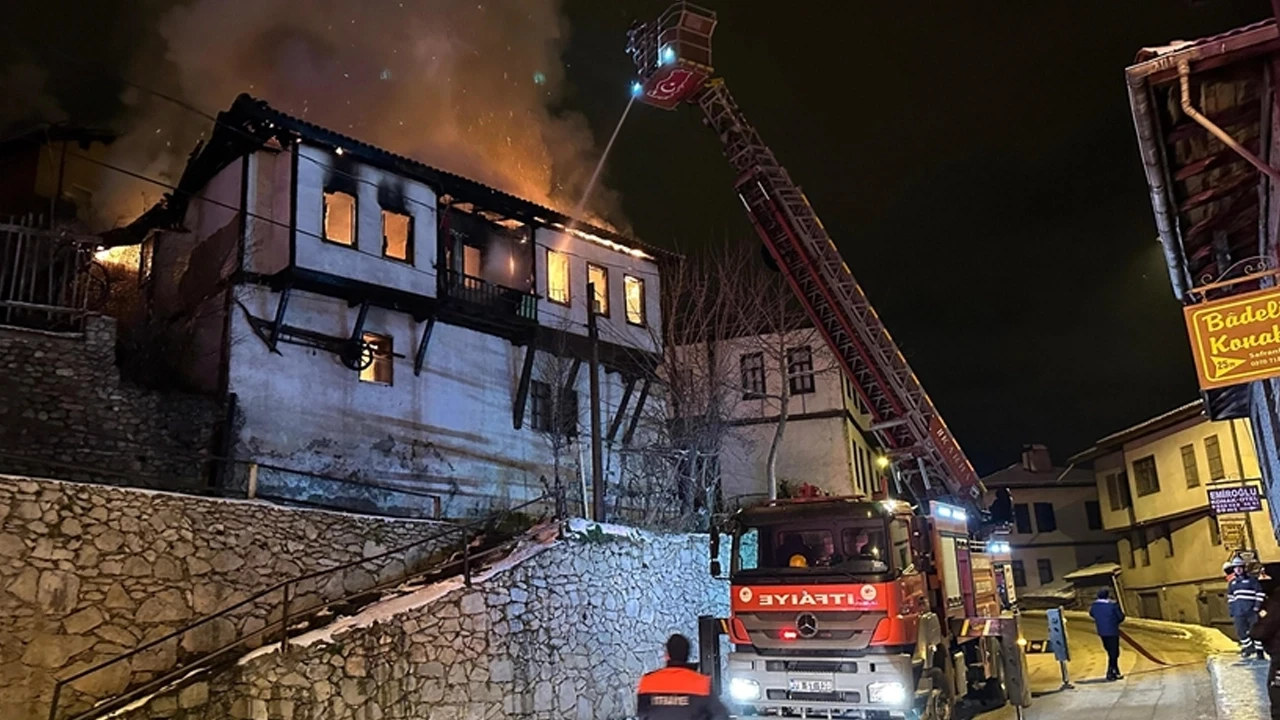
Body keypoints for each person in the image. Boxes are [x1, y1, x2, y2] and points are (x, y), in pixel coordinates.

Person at [636, 634, 730, 720]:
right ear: (687, 655)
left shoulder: (647, 681)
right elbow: (721, 716)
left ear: (667, 655)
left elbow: (642, 714)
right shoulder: (701, 684)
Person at [1249, 584, 1280, 719]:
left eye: (1263, 575)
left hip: (1279, 654)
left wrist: (1253, 631)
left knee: (1276, 689)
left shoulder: (1274, 603)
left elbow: (1263, 629)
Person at [1228, 556, 1267, 659]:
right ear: (1233, 569)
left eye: (1240, 567)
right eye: (1236, 567)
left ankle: (1259, 651)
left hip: (1251, 611)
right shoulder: (1233, 583)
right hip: (1239, 612)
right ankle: (1249, 647)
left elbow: (1260, 593)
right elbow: (1231, 597)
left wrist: (1256, 607)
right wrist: (1232, 610)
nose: (1238, 569)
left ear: (1244, 568)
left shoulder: (1252, 580)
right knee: (1241, 632)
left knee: (1255, 631)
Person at [1089, 587, 1125, 681]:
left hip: (1102, 632)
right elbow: (1120, 617)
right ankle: (1110, 672)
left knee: (1110, 651)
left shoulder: (1095, 606)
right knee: (1114, 652)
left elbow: (1091, 614)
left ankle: (1116, 671)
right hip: (1112, 631)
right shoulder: (1112, 605)